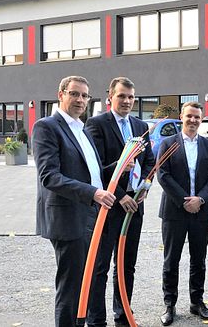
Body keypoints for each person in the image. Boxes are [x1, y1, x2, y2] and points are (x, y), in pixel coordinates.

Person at [34, 76, 116, 327]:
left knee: (86, 281)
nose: (80, 100)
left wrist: (120, 166)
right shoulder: (47, 126)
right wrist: (93, 193)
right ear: (61, 95)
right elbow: (50, 176)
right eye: (74, 94)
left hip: (90, 214)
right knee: (71, 287)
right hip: (68, 218)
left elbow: (91, 172)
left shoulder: (82, 128)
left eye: (84, 95)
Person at [85, 77, 155, 327]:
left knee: (127, 265)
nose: (126, 101)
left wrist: (145, 186)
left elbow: (149, 160)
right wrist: (122, 194)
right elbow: (96, 167)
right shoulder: (96, 125)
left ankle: (123, 314)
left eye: (131, 97)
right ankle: (96, 320)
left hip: (135, 207)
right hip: (109, 207)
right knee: (100, 266)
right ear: (110, 98)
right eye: (122, 96)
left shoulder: (140, 124)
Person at [157, 101, 208, 325]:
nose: (193, 121)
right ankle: (169, 305)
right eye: (189, 116)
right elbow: (163, 175)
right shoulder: (168, 144)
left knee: (198, 259)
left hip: (201, 211)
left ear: (201, 120)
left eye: (197, 117)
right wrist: (185, 200)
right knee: (171, 260)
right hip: (175, 211)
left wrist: (200, 199)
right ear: (181, 117)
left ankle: (197, 302)